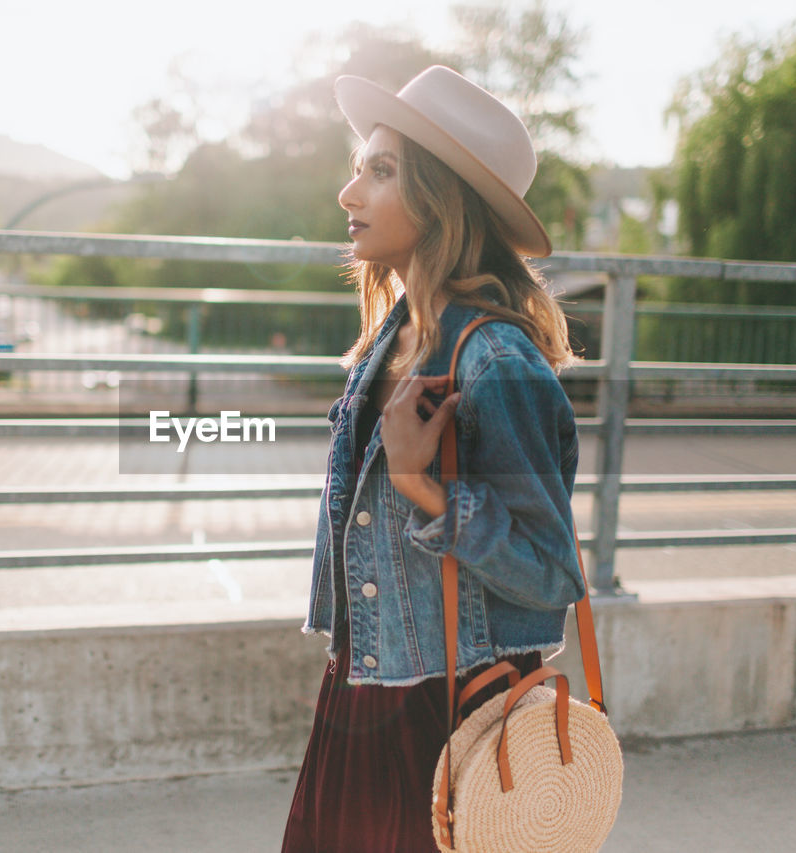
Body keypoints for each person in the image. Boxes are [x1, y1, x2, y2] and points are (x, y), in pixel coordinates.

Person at [281, 65, 587, 852]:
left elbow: (552, 571)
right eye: (358, 167)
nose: (350, 194)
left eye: (381, 172)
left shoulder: (496, 361)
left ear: (440, 199)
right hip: (366, 685)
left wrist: (424, 486)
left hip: (444, 707)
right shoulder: (386, 345)